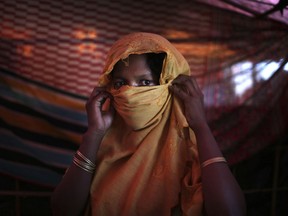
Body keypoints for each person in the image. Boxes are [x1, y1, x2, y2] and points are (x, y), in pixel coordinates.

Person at [51, 32, 246, 216]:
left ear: (171, 86)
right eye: (120, 83)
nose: (129, 92)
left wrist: (201, 127)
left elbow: (230, 212)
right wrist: (94, 134)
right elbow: (62, 211)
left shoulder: (189, 151)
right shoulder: (102, 147)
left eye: (145, 83)